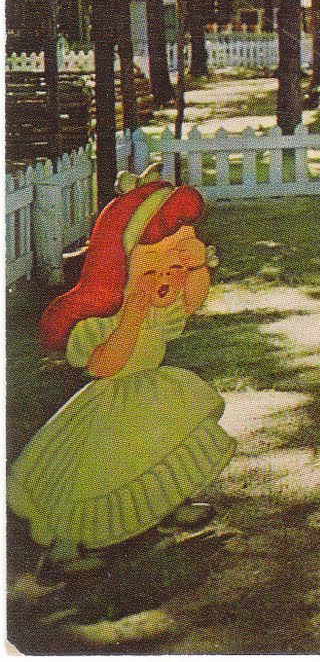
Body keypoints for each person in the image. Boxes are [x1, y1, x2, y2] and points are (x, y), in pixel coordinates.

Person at [8, 168, 235, 573]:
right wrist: (131, 313)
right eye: (150, 272)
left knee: (159, 454)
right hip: (109, 404)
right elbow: (102, 366)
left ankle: (163, 510)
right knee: (92, 474)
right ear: (120, 271)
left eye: (173, 271)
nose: (164, 281)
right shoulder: (99, 321)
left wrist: (197, 269)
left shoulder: (159, 313)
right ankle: (67, 544)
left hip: (152, 392)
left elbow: (191, 303)